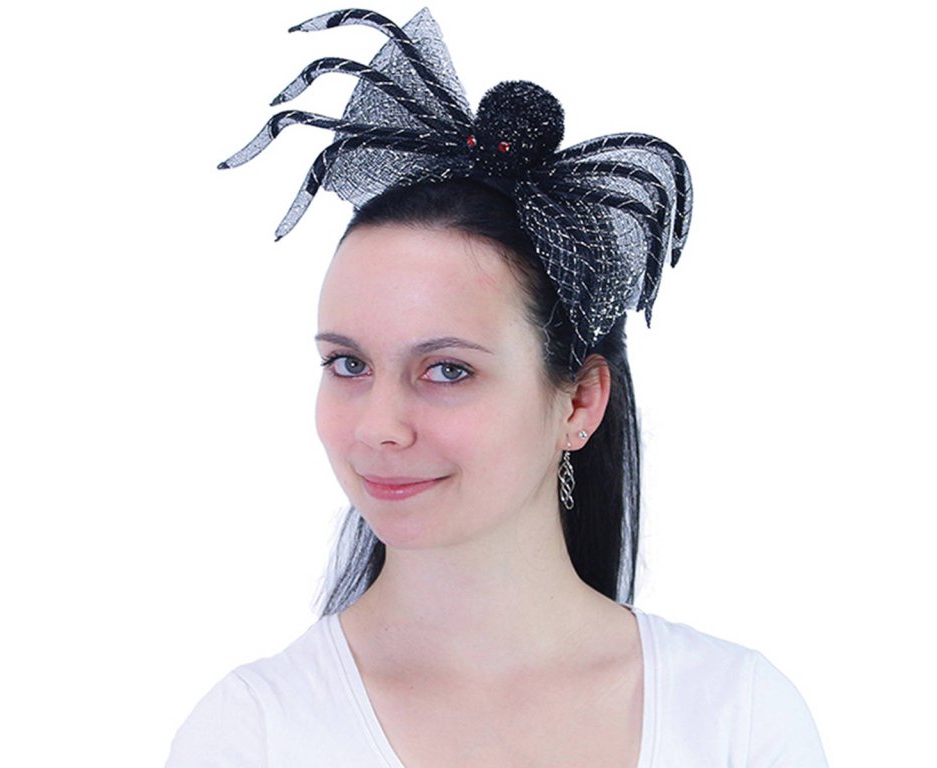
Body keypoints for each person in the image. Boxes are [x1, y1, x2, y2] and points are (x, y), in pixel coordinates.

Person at [168, 8, 827, 767]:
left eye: (448, 370)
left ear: (579, 402)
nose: (379, 426)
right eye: (348, 364)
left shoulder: (737, 716)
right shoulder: (252, 734)